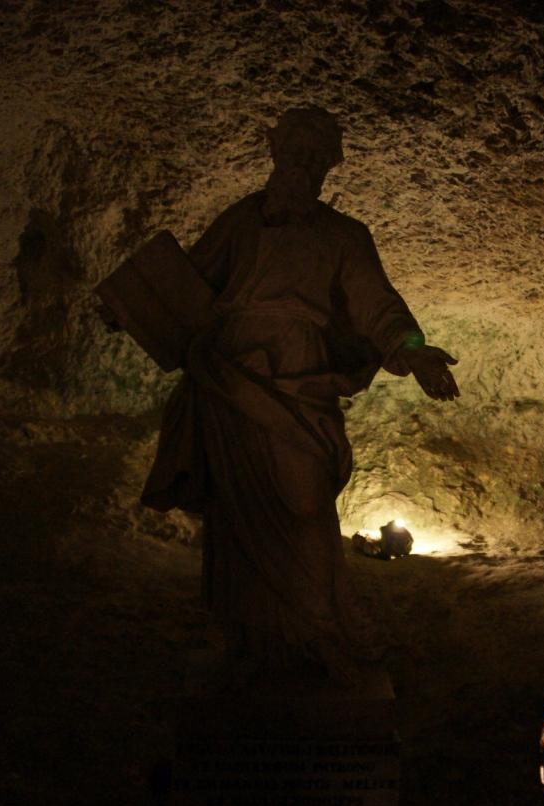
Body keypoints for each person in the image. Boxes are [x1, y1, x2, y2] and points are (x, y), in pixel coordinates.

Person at [139, 107, 458, 684]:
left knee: (306, 507)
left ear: (329, 166)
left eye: (315, 158)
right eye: (295, 153)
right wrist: (132, 306)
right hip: (231, 378)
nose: (302, 166)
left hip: (299, 377)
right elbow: (186, 283)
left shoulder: (344, 236)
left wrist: (415, 352)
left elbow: (379, 306)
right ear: (275, 153)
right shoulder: (241, 221)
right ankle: (249, 645)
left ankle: (318, 635)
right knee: (236, 519)